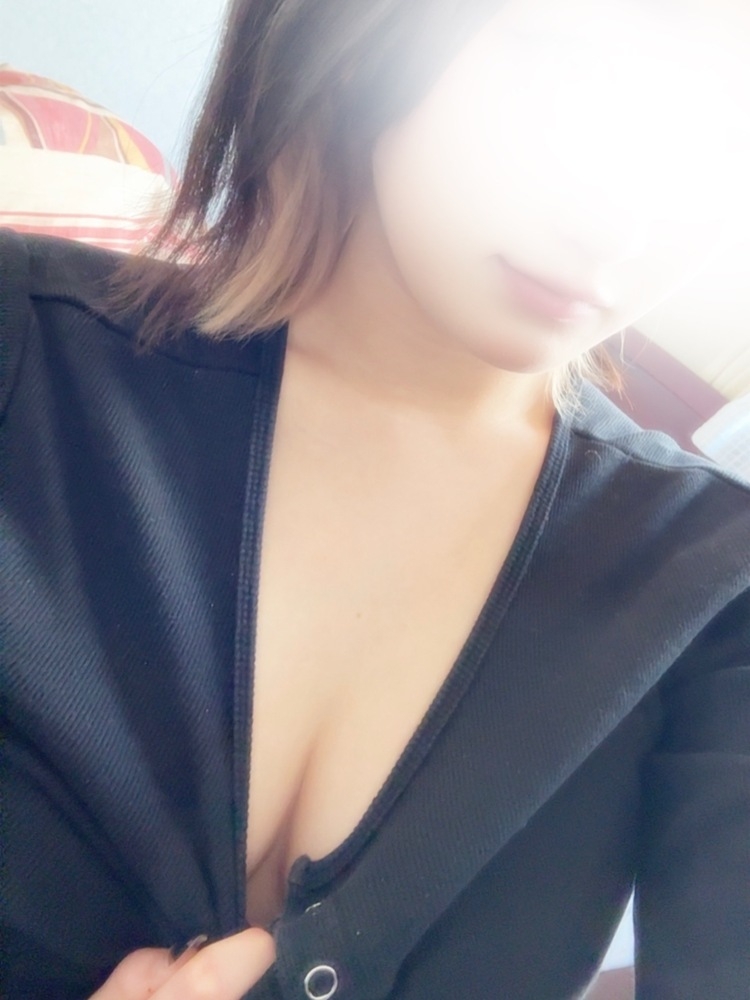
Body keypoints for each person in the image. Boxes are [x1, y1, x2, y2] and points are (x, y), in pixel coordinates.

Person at [2, 0, 749, 997]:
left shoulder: (713, 581)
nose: (617, 226)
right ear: (364, 37)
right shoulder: (28, 349)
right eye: (561, 61)